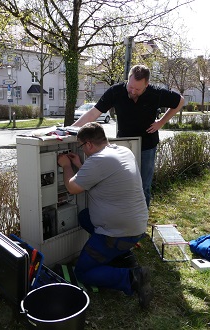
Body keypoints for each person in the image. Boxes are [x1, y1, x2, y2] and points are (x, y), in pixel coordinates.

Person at [57, 122, 152, 308]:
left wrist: (66, 166)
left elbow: (72, 187)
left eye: (81, 146)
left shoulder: (97, 161)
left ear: (89, 145)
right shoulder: (123, 151)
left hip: (117, 233)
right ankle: (123, 255)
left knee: (83, 273)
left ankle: (132, 277)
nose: (82, 150)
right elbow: (102, 175)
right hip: (137, 226)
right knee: (85, 216)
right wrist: (80, 165)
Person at [73, 64, 184, 207]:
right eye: (130, 86)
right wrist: (71, 129)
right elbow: (94, 113)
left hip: (147, 146)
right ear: (128, 79)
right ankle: (124, 215)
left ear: (146, 85)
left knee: (144, 185)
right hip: (123, 146)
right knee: (121, 183)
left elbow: (180, 101)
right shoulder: (116, 91)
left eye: (137, 89)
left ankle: (141, 221)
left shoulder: (156, 93)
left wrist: (161, 122)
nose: (132, 91)